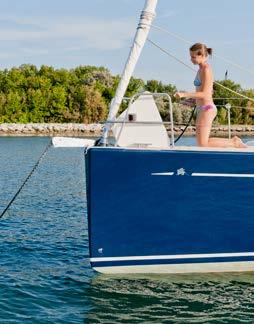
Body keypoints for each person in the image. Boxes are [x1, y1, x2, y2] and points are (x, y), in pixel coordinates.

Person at [174, 43, 247, 148]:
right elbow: (203, 91)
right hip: (201, 108)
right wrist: (191, 100)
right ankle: (233, 141)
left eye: (193, 57)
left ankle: (234, 142)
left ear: (202, 56)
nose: (191, 59)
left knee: (203, 144)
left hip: (207, 108)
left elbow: (206, 93)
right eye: (190, 57)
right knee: (202, 143)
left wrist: (184, 94)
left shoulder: (206, 69)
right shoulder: (200, 69)